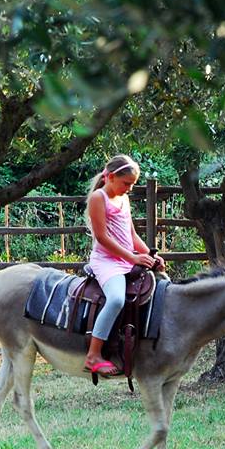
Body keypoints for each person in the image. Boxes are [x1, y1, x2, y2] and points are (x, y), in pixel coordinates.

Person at [83, 154, 164, 377]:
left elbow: (131, 234)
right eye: (126, 183)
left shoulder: (123, 199)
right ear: (110, 177)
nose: (129, 189)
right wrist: (133, 258)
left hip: (126, 258)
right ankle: (93, 355)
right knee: (117, 299)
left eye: (133, 185)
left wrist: (149, 254)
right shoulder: (99, 198)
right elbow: (102, 238)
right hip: (107, 261)